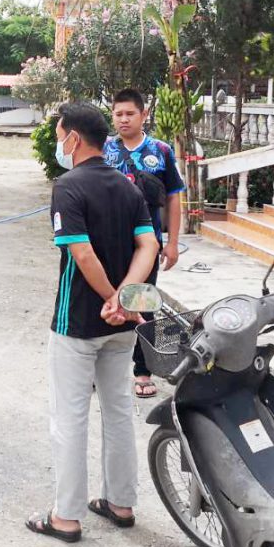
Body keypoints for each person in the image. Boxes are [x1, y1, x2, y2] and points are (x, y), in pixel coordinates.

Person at [26, 102, 159, 543]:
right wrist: (125, 298)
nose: (59, 144)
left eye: (60, 136)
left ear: (73, 139)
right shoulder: (127, 186)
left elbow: (81, 253)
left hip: (78, 322)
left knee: (69, 417)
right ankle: (121, 503)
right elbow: (149, 246)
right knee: (118, 411)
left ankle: (66, 516)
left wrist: (110, 298)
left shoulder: (68, 186)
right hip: (121, 326)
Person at [104, 88, 185, 399]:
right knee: (107, 299)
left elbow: (174, 198)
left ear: (144, 115)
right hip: (108, 242)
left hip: (148, 244)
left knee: (143, 303)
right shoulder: (104, 149)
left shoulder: (161, 151)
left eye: (130, 114)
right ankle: (102, 368)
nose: (124, 119)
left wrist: (173, 242)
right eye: (118, 114)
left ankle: (142, 370)